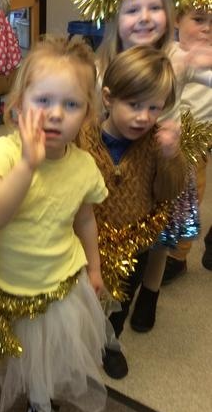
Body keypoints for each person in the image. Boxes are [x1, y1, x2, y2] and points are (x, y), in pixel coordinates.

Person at [0, 35, 109, 412]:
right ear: (18, 105)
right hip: (0, 280)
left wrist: (95, 268)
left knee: (44, 359)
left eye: (71, 104)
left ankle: (41, 404)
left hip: (53, 289)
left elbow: (85, 219)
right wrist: (28, 164)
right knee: (2, 348)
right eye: (43, 100)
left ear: (88, 114)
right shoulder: (4, 153)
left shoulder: (84, 166)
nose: (55, 114)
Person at [70, 0, 212, 346]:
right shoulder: (103, 63)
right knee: (118, 232)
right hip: (120, 165)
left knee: (159, 238)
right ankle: (110, 294)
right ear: (116, 18)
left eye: (154, 8)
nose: (145, 17)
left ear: (168, 13)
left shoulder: (177, 56)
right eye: (133, 10)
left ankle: (150, 295)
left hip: (164, 160)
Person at [78, 45, 186, 378]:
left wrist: (170, 155)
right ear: (109, 99)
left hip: (133, 246)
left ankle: (110, 344)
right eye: (134, 105)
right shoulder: (84, 136)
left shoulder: (156, 143)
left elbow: (169, 192)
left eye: (154, 107)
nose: (143, 117)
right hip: (84, 243)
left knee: (121, 301)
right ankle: (77, 345)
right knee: (80, 299)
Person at [162, 0, 212, 282]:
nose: (207, 28)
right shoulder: (167, 53)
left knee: (190, 199)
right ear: (177, 18)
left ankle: (178, 256)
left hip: (198, 145)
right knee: (162, 197)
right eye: (199, 19)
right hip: (164, 139)